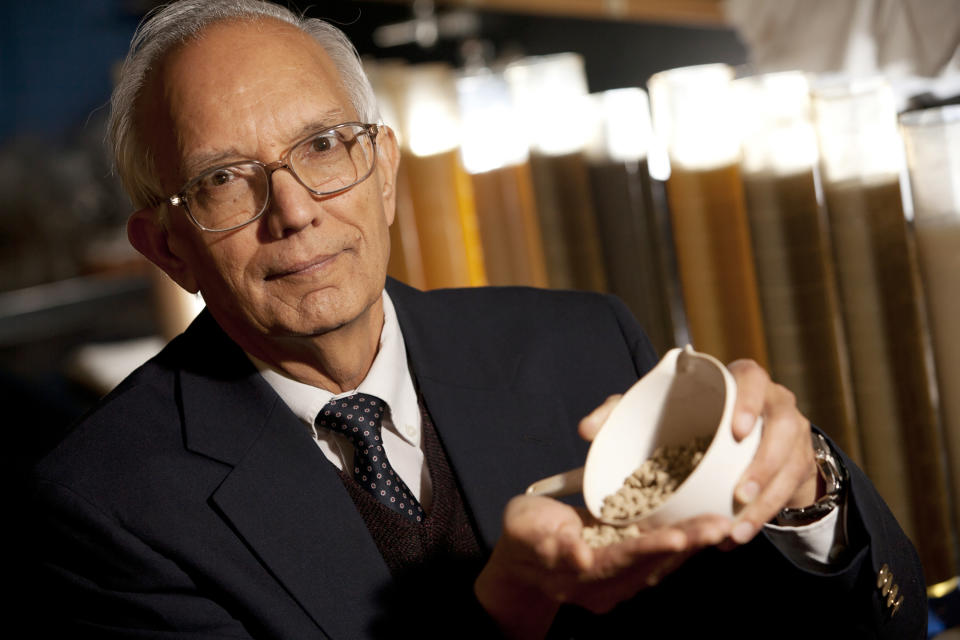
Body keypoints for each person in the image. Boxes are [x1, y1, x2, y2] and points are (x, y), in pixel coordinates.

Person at [26, 1, 924, 637]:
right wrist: (511, 611)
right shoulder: (106, 508)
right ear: (165, 246)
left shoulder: (582, 344)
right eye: (224, 179)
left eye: (322, 147)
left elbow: (857, 618)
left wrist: (806, 494)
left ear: (384, 169)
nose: (293, 210)